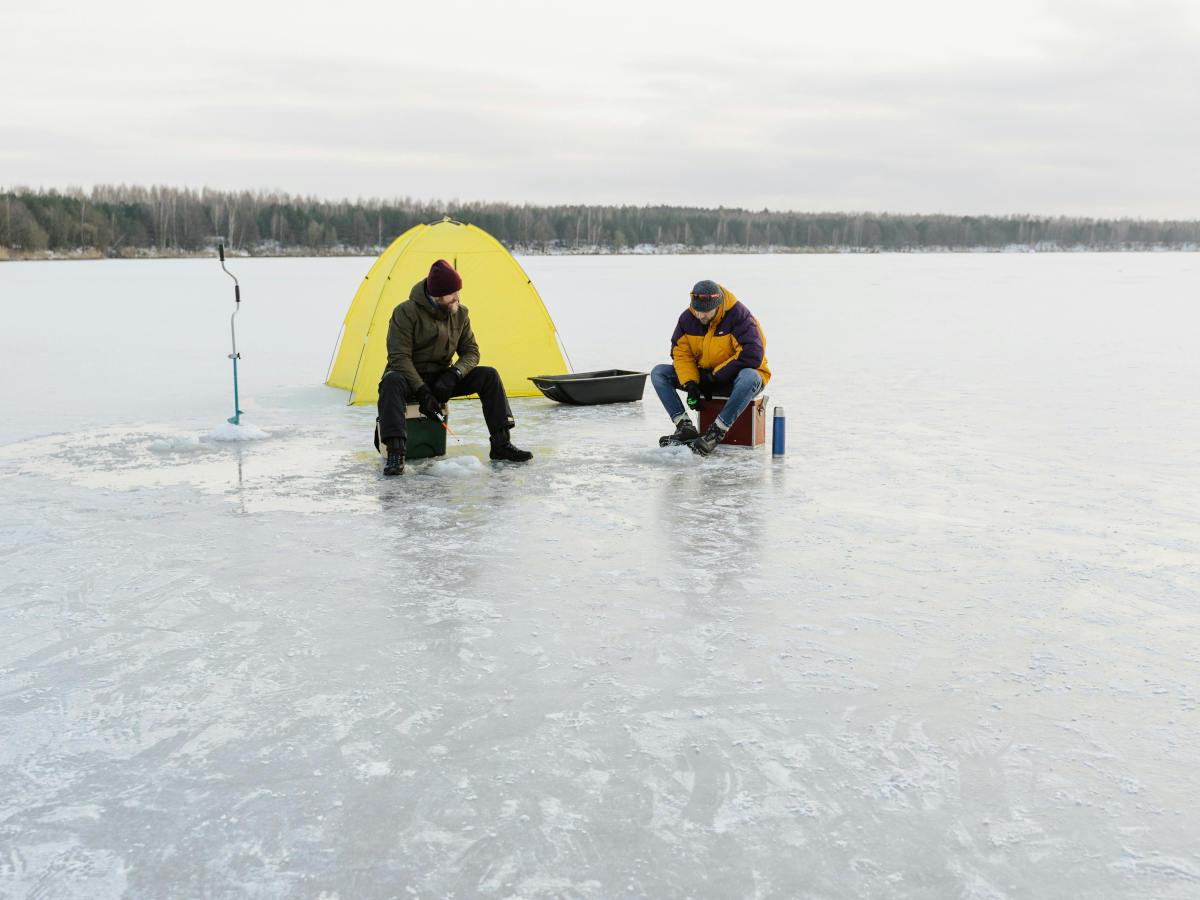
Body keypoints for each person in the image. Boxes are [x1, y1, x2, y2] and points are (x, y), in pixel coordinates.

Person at [377, 259, 532, 475]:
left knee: (489, 376)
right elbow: (399, 357)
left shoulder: (461, 313)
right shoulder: (405, 312)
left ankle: (501, 445)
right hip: (408, 378)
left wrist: (454, 374)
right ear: (437, 296)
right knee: (390, 382)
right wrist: (421, 390)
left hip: (442, 379)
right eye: (453, 293)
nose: (457, 297)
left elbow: (471, 352)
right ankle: (396, 454)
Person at [650, 279, 771, 456]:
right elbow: (681, 354)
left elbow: (752, 354)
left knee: (750, 377)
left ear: (718, 304)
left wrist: (715, 376)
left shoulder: (739, 316)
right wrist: (691, 383)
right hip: (707, 377)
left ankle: (716, 432)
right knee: (659, 373)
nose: (700, 316)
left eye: (705, 312)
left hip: (737, 379)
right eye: (697, 310)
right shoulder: (687, 319)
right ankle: (685, 427)